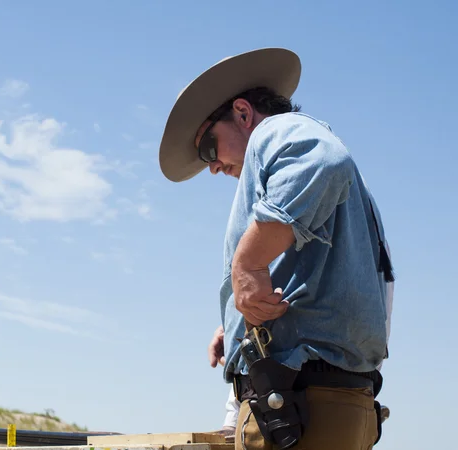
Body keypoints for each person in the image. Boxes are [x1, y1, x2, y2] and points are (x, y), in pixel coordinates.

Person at [158, 48, 395, 450]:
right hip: (330, 401)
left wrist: (247, 265)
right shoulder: (354, 201)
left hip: (299, 407)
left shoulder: (277, 131)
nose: (212, 167)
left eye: (209, 150)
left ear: (243, 114)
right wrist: (237, 329)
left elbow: (323, 161)